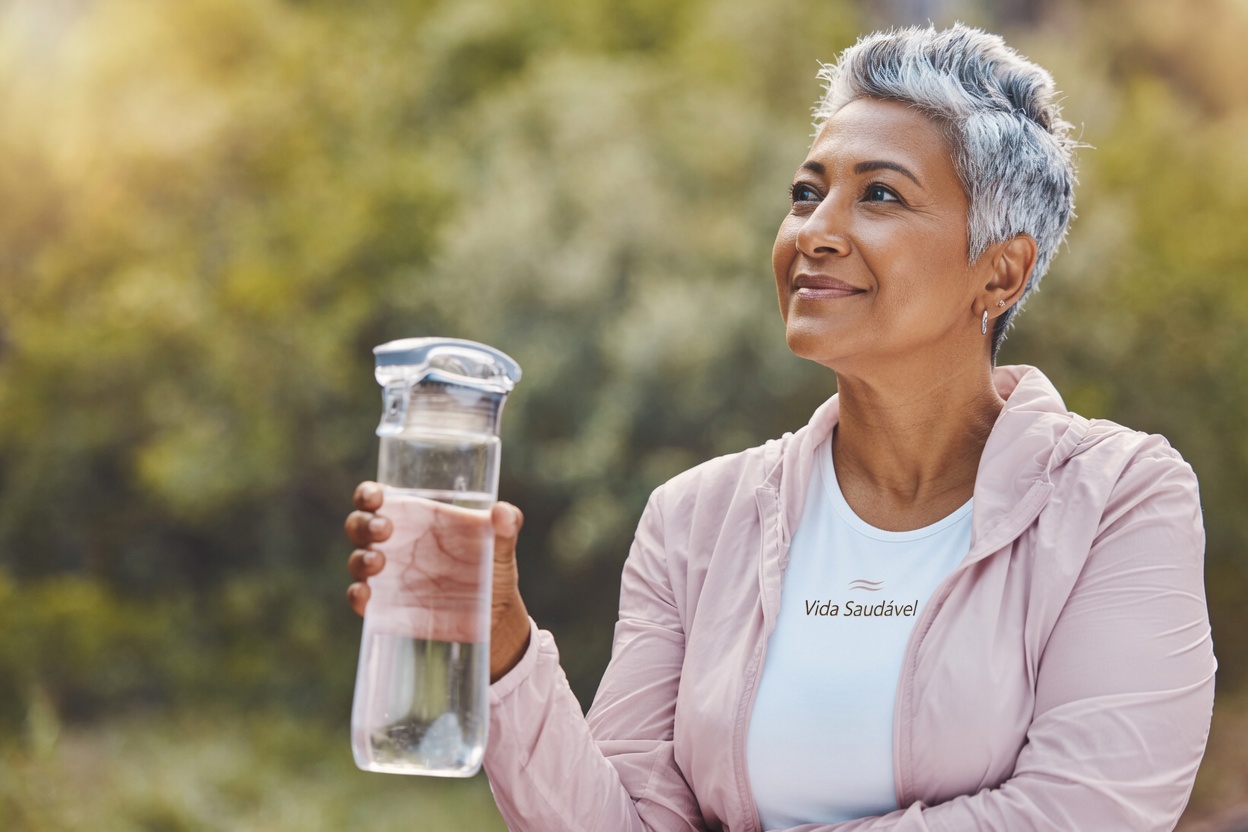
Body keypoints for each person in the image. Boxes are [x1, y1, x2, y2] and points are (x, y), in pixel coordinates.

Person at [345, 24, 1216, 831]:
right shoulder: (696, 519)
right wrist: (501, 646)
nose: (817, 231)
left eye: (879, 195)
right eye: (806, 193)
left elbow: (1084, 812)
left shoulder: (1118, 500)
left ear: (1002, 271)